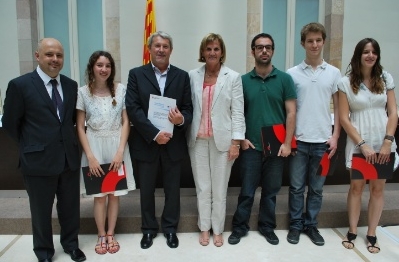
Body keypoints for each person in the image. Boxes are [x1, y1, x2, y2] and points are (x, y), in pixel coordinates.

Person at [2, 38, 86, 262]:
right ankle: (44, 252)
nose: (55, 59)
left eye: (59, 55)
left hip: (68, 159)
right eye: (49, 54)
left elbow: (68, 121)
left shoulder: (70, 85)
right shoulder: (19, 85)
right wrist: (32, 144)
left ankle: (71, 245)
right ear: (37, 56)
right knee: (41, 212)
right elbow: (11, 123)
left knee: (70, 208)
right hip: (37, 161)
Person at [126, 31, 193, 249]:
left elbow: (189, 109)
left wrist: (181, 119)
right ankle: (148, 229)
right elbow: (133, 108)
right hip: (147, 142)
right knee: (146, 189)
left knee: (172, 189)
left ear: (171, 50)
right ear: (149, 49)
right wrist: (155, 134)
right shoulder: (136, 74)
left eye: (165, 46)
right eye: (157, 46)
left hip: (174, 143)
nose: (161, 50)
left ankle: (171, 229)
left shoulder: (182, 76)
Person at [228, 33, 297, 246]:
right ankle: (239, 227)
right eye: (259, 47)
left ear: (273, 51)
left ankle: (267, 227)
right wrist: (241, 140)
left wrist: (287, 143)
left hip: (277, 147)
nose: (264, 51)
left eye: (268, 47)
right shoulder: (242, 81)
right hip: (251, 146)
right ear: (253, 51)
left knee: (270, 192)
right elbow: (235, 113)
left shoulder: (285, 79)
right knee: (247, 191)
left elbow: (291, 113)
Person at [338, 38, 397, 254]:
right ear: (358, 55)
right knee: (356, 187)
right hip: (358, 144)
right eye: (365, 52)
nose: (370, 55)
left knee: (377, 189)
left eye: (374, 52)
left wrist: (387, 142)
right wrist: (362, 145)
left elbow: (393, 112)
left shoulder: (385, 78)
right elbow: (344, 118)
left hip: (383, 143)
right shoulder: (345, 82)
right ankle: (352, 230)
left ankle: (371, 233)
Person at [187, 33, 245, 247]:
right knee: (203, 188)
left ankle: (218, 229)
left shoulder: (233, 77)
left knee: (220, 189)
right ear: (203, 52)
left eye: (216, 49)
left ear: (222, 53)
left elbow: (238, 112)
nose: (212, 52)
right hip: (198, 140)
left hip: (223, 141)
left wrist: (236, 142)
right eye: (208, 49)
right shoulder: (192, 75)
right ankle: (204, 227)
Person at [286, 22, 341, 246]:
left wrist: (335, 136)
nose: (315, 44)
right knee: (297, 187)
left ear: (324, 42)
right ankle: (296, 225)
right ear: (303, 44)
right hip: (299, 141)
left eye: (318, 40)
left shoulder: (334, 73)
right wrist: (290, 138)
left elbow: (339, 108)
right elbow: (289, 109)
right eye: (310, 41)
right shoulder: (292, 74)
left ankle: (312, 225)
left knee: (316, 189)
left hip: (323, 143)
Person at [76, 51, 136, 255]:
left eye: (108, 65)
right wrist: (90, 156)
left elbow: (126, 121)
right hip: (94, 147)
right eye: (100, 65)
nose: (104, 69)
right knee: (99, 196)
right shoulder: (83, 92)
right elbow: (79, 126)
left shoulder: (120, 90)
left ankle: (111, 233)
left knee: (114, 194)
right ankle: (101, 234)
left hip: (116, 146)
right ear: (92, 67)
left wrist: (120, 152)